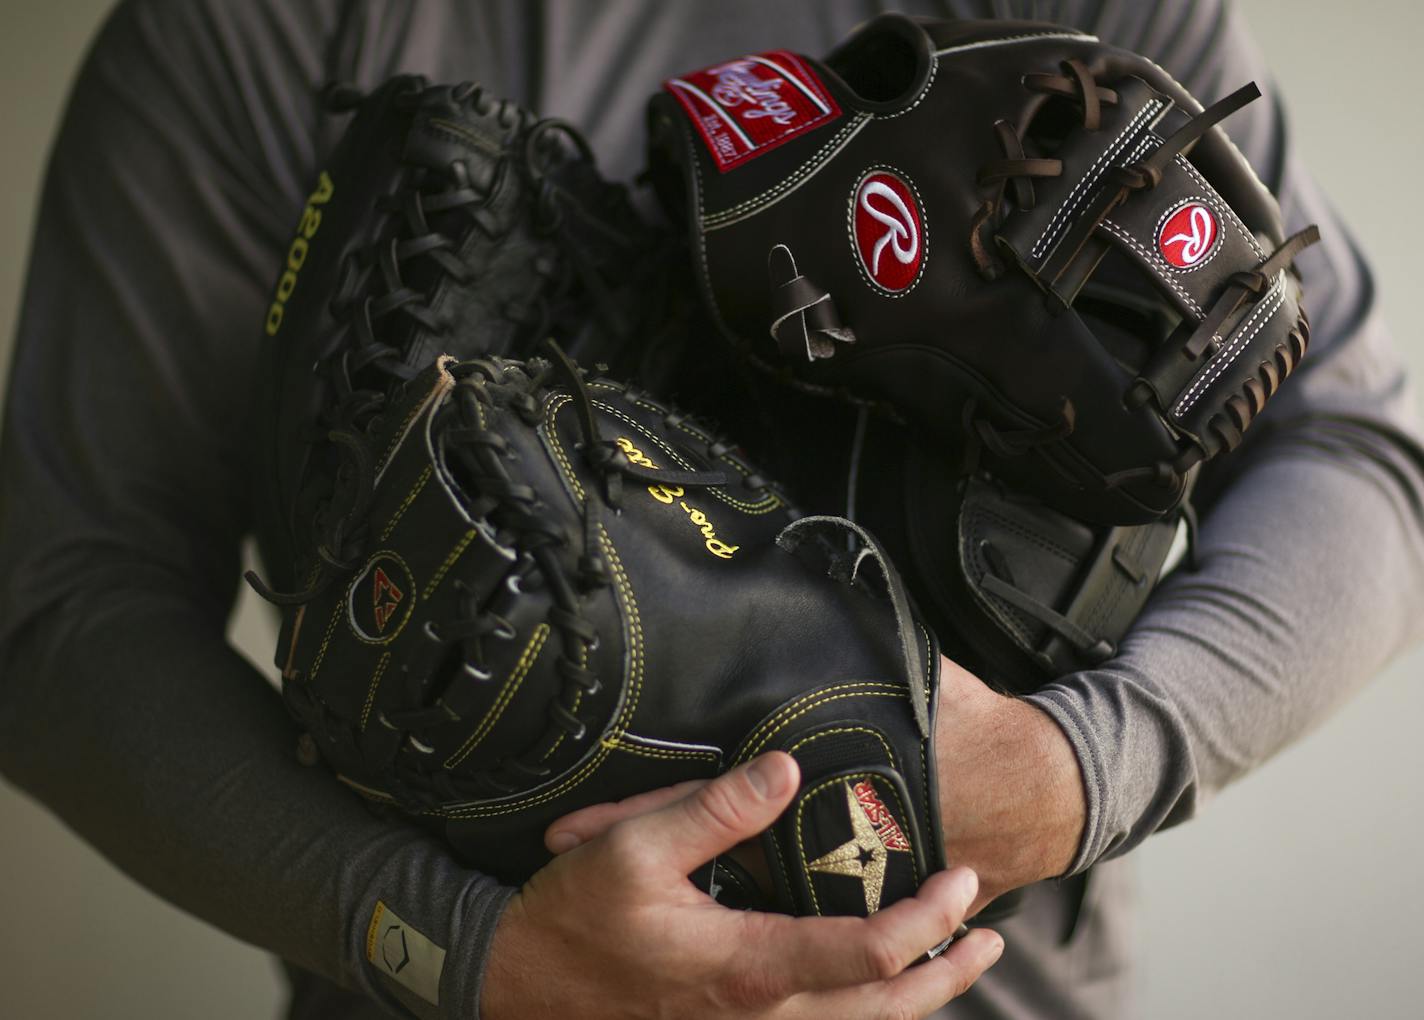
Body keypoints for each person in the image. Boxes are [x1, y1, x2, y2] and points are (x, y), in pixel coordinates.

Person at [1, 2, 1420, 1018]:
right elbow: (61, 600)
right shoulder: (259, 30)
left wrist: (1068, 775)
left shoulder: (1063, 17)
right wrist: (470, 952)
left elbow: (1360, 445)